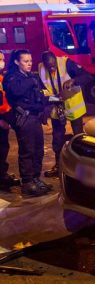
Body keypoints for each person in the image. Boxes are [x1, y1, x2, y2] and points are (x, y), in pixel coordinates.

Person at [2, 50, 52, 196]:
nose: (29, 64)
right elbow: (16, 91)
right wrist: (31, 81)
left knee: (38, 150)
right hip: (24, 119)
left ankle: (36, 179)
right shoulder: (11, 77)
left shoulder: (31, 76)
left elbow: (40, 95)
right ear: (17, 62)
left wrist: (49, 101)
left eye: (30, 61)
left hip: (35, 118)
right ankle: (27, 182)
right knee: (27, 152)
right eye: (25, 61)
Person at [38, 51, 90, 177]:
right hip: (57, 107)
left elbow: (88, 77)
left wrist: (74, 80)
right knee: (57, 139)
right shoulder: (41, 68)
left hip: (74, 107)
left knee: (78, 137)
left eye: (53, 65)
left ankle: (81, 165)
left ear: (55, 60)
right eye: (49, 67)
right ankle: (59, 165)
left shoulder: (67, 63)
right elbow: (42, 88)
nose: (52, 68)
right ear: (44, 64)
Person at [0, 52, 20, 190]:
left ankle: (2, 175)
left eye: (2, 59)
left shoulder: (2, 77)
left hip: (4, 117)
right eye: (0, 59)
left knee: (3, 148)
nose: (2, 61)